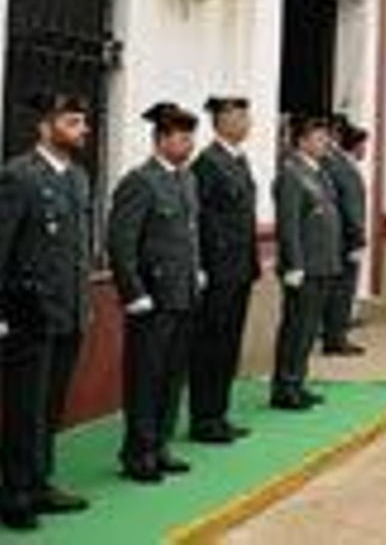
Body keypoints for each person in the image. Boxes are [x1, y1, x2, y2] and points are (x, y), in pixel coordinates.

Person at [0, 92, 93, 529]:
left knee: (51, 406)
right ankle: (14, 493)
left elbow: (77, 252)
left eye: (82, 123)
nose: (83, 131)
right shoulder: (19, 176)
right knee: (24, 408)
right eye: (73, 122)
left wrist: (84, 306)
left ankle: (40, 482)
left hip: (68, 311)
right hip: (27, 312)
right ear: (45, 127)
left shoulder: (77, 178)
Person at [107, 102, 203, 483]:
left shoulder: (186, 180)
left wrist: (196, 270)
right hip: (152, 297)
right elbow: (121, 242)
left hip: (182, 293)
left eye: (190, 136)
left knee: (172, 374)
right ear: (161, 139)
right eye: (182, 137)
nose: (189, 144)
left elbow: (187, 235)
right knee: (145, 377)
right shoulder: (140, 182)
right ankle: (138, 452)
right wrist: (133, 292)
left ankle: (160, 444)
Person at [188, 96, 258, 445]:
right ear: (221, 121)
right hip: (217, 271)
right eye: (240, 115)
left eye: (247, 115)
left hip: (240, 268)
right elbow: (199, 220)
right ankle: (204, 418)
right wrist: (202, 266)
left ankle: (219, 413)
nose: (247, 121)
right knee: (210, 345)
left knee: (229, 345)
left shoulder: (239, 160)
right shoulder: (207, 163)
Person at [270, 115, 343, 411]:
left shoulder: (319, 172)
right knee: (296, 328)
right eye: (318, 137)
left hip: (323, 262)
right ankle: (285, 387)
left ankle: (297, 381)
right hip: (305, 266)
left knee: (309, 329)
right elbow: (288, 224)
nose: (325, 142)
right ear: (301, 142)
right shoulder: (291, 174)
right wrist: (294, 264)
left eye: (326, 137)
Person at [321, 116, 369, 356]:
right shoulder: (336, 164)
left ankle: (337, 334)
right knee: (341, 291)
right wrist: (357, 238)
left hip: (344, 238)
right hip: (344, 240)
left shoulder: (338, 161)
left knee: (343, 290)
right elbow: (349, 206)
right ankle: (335, 337)